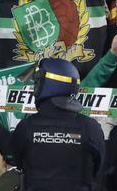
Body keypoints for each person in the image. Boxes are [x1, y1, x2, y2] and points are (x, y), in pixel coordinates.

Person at [10, 58, 105, 191]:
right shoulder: (90, 127)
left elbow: (18, 161)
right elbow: (99, 168)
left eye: (38, 81)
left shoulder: (26, 126)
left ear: (47, 84)